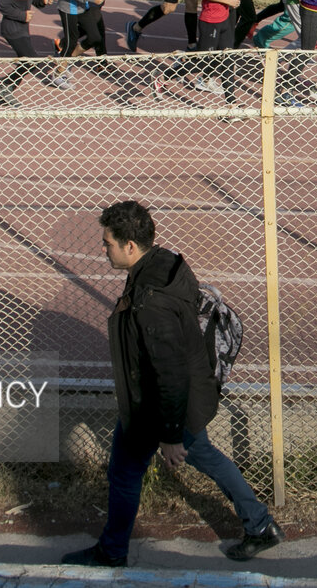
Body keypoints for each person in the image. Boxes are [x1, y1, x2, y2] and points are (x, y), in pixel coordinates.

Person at [61, 201, 284, 568]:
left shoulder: (153, 302)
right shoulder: (163, 263)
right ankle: (260, 526)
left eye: (108, 243)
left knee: (125, 472)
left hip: (159, 406)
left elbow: (169, 372)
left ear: (130, 245)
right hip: (181, 399)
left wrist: (169, 436)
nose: (104, 249)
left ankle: (112, 552)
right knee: (205, 456)